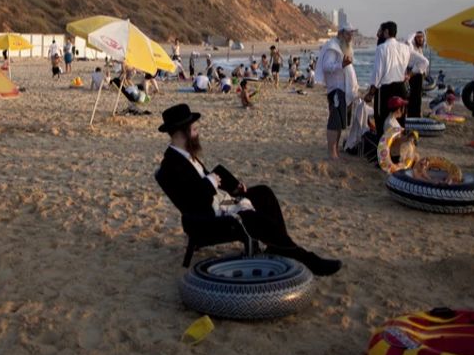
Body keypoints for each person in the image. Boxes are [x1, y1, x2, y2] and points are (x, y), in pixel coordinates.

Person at [155, 104, 341, 276]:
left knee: (263, 193)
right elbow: (193, 201)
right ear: (181, 133)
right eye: (194, 130)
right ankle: (309, 260)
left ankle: (278, 244)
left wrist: (232, 187)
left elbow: (201, 184)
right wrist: (210, 181)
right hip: (207, 219)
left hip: (220, 203)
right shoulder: (171, 165)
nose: (198, 133)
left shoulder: (186, 155)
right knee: (254, 219)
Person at [366, 21, 428, 134]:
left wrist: (371, 93)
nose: (378, 34)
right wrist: (410, 74)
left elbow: (377, 73)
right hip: (400, 88)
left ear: (386, 32)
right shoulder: (405, 48)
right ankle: (398, 146)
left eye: (380, 31)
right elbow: (424, 62)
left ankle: (383, 148)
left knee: (382, 119)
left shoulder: (381, 48)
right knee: (399, 120)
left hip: (385, 90)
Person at [315, 19, 357, 159]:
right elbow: (326, 66)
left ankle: (335, 151)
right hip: (336, 89)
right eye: (348, 34)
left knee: (339, 122)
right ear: (341, 34)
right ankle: (332, 152)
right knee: (334, 121)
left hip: (343, 89)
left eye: (352, 34)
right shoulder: (332, 46)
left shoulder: (343, 46)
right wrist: (341, 65)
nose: (350, 37)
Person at [407, 31, 429, 118]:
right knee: (414, 97)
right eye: (418, 37)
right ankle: (413, 115)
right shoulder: (412, 48)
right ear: (415, 38)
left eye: (421, 37)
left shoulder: (420, 49)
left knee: (418, 96)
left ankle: (416, 114)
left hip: (419, 75)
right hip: (414, 75)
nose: (420, 39)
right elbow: (420, 63)